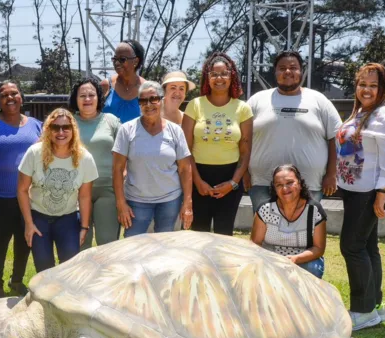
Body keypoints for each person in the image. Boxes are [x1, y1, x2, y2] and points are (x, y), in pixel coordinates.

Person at [336, 63, 385, 330]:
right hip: (354, 190)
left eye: (373, 85)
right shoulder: (362, 111)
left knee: (351, 246)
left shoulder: (384, 115)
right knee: (367, 247)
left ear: (382, 88)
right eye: (362, 84)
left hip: (369, 192)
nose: (366, 89)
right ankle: (374, 305)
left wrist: (382, 193)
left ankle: (362, 311)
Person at [245, 50, 340, 213]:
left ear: (301, 71)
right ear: (275, 72)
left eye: (293, 67)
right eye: (282, 68)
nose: (287, 71)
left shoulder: (319, 101)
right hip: (261, 182)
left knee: (305, 231)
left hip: (309, 183)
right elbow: (243, 139)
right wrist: (244, 173)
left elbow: (335, 137)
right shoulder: (257, 100)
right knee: (263, 232)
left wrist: (332, 174)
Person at [0, 81, 42, 299]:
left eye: (14, 93)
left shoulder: (36, 125)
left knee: (25, 241)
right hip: (0, 197)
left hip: (29, 197)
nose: (10, 98)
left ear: (21, 97)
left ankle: (16, 281)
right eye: (4, 95)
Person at [17, 109, 97, 272]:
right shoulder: (34, 152)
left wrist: (84, 227)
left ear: (73, 130)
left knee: (69, 268)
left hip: (67, 219)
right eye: (55, 127)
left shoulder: (85, 158)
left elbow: (85, 196)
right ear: (48, 129)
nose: (61, 132)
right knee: (44, 267)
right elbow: (22, 190)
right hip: (38, 219)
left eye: (66, 127)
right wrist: (29, 223)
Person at [182, 53, 252, 235]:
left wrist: (233, 183)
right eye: (214, 74)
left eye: (224, 74)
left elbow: (245, 152)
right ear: (207, 77)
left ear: (232, 76)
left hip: (230, 179)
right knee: (198, 234)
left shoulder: (242, 108)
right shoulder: (195, 105)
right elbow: (185, 149)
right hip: (199, 177)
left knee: (224, 234)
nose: (219, 78)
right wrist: (197, 181)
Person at [112, 81, 194, 236]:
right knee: (134, 247)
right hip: (137, 201)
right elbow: (117, 169)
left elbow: (185, 168)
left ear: (161, 100)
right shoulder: (126, 130)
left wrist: (188, 203)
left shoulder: (175, 131)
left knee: (165, 248)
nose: (148, 105)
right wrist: (121, 203)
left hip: (170, 200)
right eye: (143, 101)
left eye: (153, 99)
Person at [69, 78, 122, 247]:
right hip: (75, 191)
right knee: (80, 244)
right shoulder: (68, 123)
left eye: (91, 95)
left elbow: (125, 151)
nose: (87, 99)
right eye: (82, 95)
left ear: (99, 98)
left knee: (107, 243)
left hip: (107, 189)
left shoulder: (111, 121)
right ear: (75, 99)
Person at [251, 165, 327, 279]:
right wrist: (270, 260)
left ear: (300, 184)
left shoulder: (314, 210)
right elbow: (255, 243)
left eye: (290, 183)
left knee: (312, 267)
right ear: (274, 189)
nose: (285, 188)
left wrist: (295, 259)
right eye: (279, 185)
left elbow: (318, 248)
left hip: (303, 258)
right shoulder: (265, 209)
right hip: (270, 258)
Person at [101, 40, 147, 124]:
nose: (117, 63)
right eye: (115, 59)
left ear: (136, 61)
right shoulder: (106, 86)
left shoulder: (147, 88)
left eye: (122, 59)